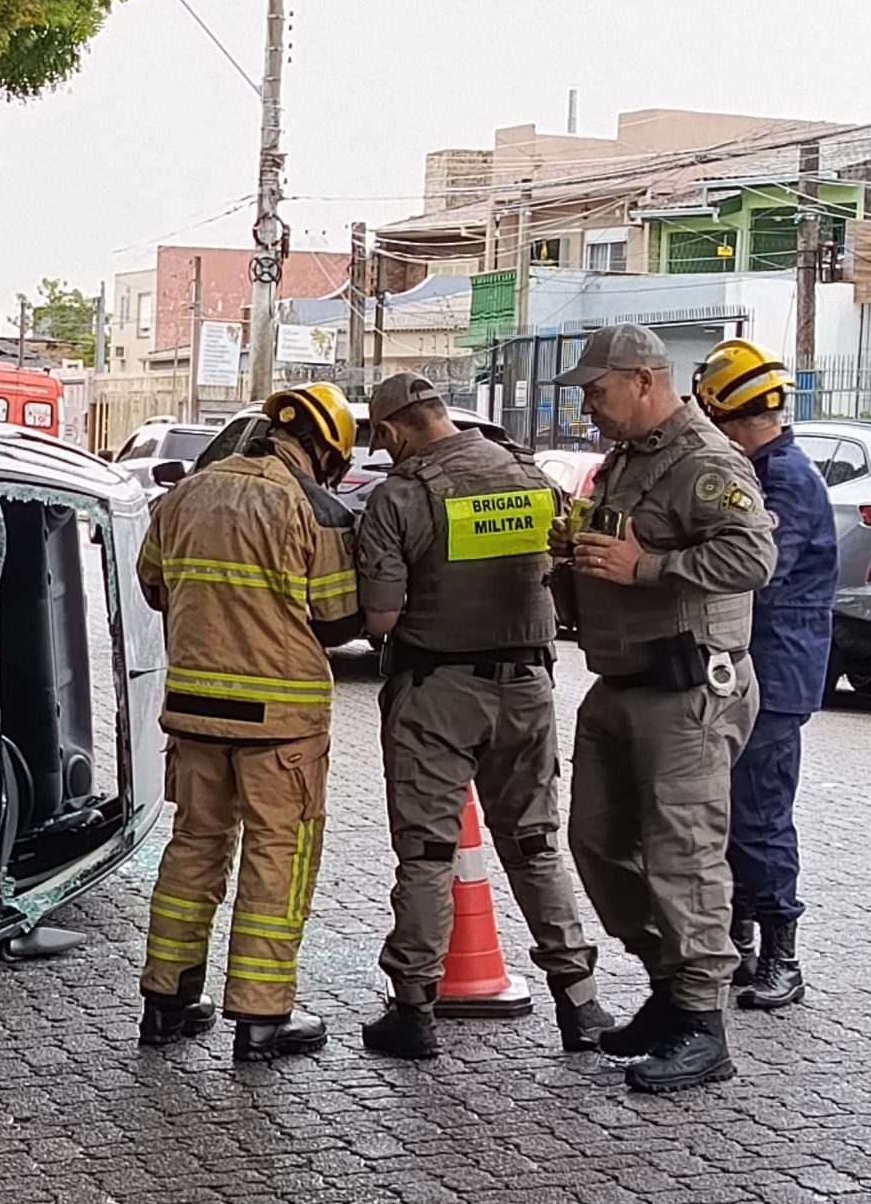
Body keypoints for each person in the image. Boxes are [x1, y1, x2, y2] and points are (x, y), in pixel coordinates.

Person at [353, 373, 613, 1059]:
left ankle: (413, 1010)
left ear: (391, 432)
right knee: (534, 843)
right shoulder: (531, 475)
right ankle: (580, 1005)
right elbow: (570, 574)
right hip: (528, 685)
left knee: (430, 851)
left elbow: (380, 615)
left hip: (437, 689)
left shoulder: (402, 495)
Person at [555, 323, 777, 1094]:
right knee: (597, 841)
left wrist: (647, 566)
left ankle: (704, 1023)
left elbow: (753, 556)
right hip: (621, 682)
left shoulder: (705, 461)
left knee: (684, 855)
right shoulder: (629, 461)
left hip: (685, 691)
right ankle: (668, 986)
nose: (589, 405)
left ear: (644, 380)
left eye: (597, 389)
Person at [135, 382, 361, 1063]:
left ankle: (166, 1005)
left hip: (195, 711)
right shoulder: (309, 505)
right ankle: (262, 1021)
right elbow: (339, 618)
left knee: (193, 849)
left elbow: (152, 584)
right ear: (325, 450)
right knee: (276, 859)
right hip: (279, 726)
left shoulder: (186, 494)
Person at [691, 340, 836, 1011]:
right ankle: (738, 943)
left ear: (727, 417)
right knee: (724, 811)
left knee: (759, 813)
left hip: (775, 673)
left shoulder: (786, 481)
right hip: (749, 664)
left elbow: (758, 569)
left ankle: (781, 954)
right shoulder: (759, 472)